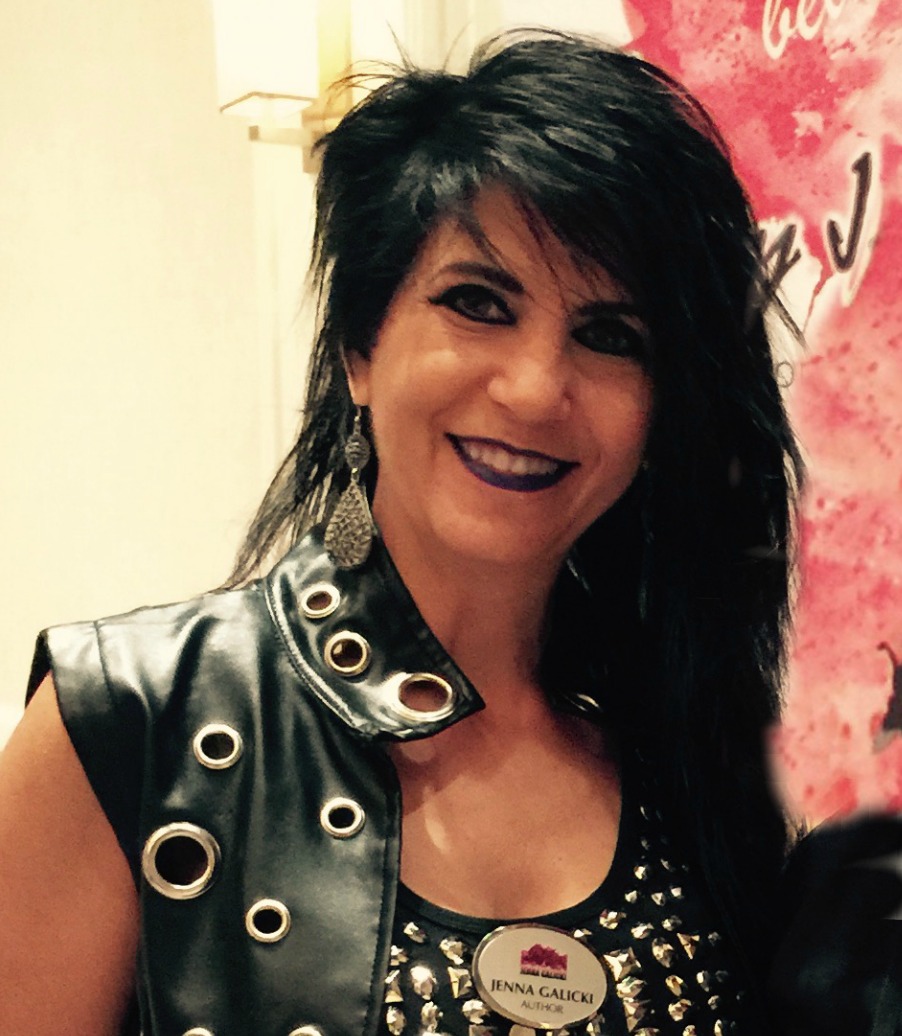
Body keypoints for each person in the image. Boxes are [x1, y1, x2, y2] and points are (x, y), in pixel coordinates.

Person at [3, 27, 886, 1036]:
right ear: (359, 347)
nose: (535, 389)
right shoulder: (130, 725)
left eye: (609, 336)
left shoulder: (685, 759)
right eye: (477, 303)